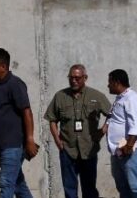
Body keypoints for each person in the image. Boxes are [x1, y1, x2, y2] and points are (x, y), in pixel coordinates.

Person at [44, 64, 111, 198]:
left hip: (89, 149)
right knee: (69, 188)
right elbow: (52, 119)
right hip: (68, 149)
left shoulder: (96, 96)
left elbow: (112, 115)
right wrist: (57, 140)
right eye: (71, 77)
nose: (74, 80)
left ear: (85, 78)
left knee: (89, 188)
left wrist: (102, 131)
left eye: (77, 78)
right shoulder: (60, 96)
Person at [0, 48, 38, 198]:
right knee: (18, 185)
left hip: (13, 145)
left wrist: (29, 139)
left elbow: (27, 112)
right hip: (0, 145)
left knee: (6, 182)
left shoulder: (15, 84)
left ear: (3, 67)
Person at [106, 69, 137, 198]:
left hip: (131, 150)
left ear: (117, 82)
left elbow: (136, 124)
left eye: (110, 82)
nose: (108, 85)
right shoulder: (120, 99)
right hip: (119, 150)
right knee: (123, 187)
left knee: (136, 187)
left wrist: (129, 146)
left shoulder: (131, 98)